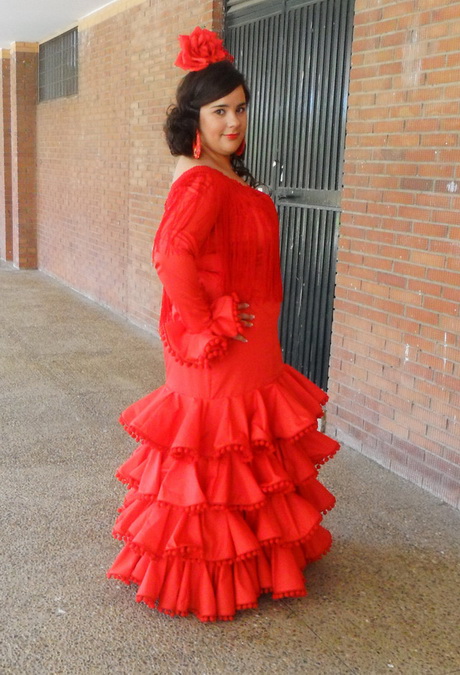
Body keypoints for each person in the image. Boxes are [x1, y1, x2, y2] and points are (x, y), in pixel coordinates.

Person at [107, 26, 339, 622]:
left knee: (248, 460)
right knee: (214, 463)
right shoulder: (203, 179)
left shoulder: (229, 174)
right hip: (222, 348)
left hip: (253, 346)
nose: (233, 122)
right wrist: (202, 320)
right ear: (195, 117)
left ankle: (258, 559)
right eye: (219, 111)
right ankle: (207, 574)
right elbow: (170, 254)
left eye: (239, 109)